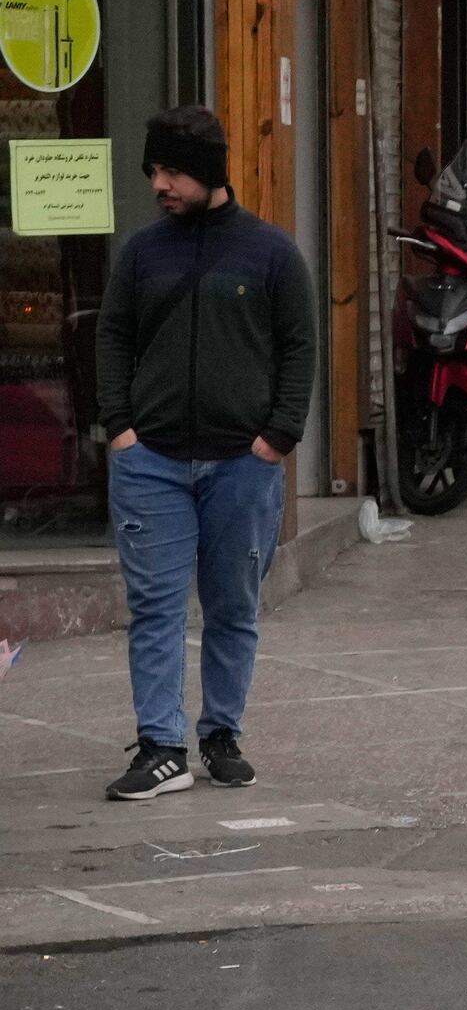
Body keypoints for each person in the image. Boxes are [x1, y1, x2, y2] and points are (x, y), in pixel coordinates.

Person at [94, 108, 317, 802]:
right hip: (151, 461)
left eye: (172, 171)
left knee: (232, 606)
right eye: (153, 171)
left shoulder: (272, 254)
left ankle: (221, 734)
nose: (159, 183)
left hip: (242, 465)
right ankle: (162, 747)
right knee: (155, 607)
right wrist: (120, 430)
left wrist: (275, 440)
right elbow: (113, 337)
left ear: (211, 172)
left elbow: (299, 347)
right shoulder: (141, 253)